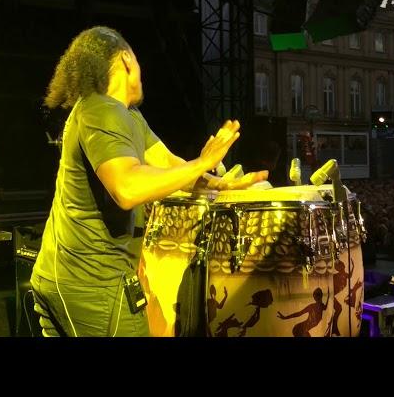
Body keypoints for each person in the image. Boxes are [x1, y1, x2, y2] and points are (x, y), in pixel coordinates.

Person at [30, 26, 267, 337]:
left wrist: (221, 184)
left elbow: (170, 166)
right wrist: (202, 162)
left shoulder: (125, 115)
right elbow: (128, 188)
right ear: (127, 60)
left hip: (68, 279)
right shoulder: (101, 109)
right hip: (91, 285)